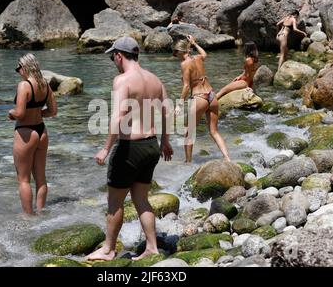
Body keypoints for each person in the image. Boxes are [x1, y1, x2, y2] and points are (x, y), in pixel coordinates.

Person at [86, 37, 174, 261]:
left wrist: (106, 149)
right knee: (141, 200)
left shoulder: (122, 80)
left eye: (111, 57)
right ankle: (152, 248)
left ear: (118, 55)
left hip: (129, 148)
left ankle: (108, 250)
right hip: (151, 145)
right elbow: (167, 112)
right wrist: (165, 141)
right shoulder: (155, 80)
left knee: (115, 202)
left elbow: (118, 117)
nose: (113, 61)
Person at [8, 53, 57, 215]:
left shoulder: (24, 86)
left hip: (26, 132)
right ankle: (41, 212)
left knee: (23, 180)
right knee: (41, 178)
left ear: (26, 67)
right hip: (41, 131)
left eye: (18, 68)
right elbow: (53, 111)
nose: (18, 71)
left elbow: (20, 113)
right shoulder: (45, 85)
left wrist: (11, 113)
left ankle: (28, 218)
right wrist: (37, 113)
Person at [173, 35, 231, 163]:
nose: (174, 55)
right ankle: (227, 158)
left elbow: (187, 86)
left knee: (189, 132)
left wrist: (179, 104)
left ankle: (188, 162)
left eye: (174, 52)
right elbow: (205, 55)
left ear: (180, 51)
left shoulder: (184, 64)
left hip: (199, 98)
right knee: (214, 131)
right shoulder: (198, 58)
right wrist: (195, 43)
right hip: (211, 95)